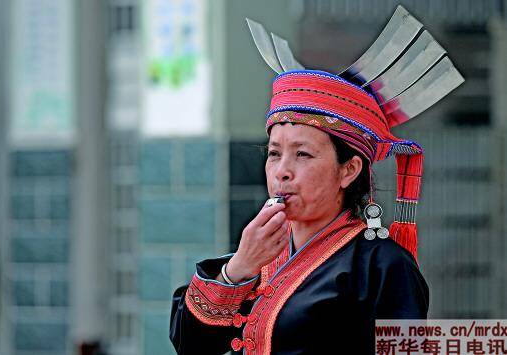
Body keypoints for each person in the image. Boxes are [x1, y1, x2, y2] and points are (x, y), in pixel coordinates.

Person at [170, 6, 463, 355]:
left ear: (349, 170)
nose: (282, 170)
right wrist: (237, 271)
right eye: (274, 154)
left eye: (303, 155)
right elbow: (190, 345)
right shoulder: (254, 261)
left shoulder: (383, 266)